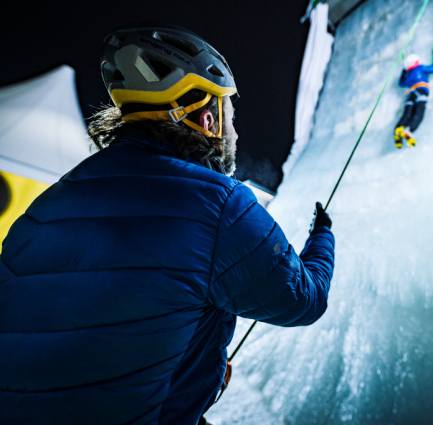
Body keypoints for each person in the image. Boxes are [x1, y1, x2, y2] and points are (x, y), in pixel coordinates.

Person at [0, 23, 335, 425]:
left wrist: (196, 370)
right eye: (230, 115)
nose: (236, 131)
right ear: (207, 120)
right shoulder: (219, 204)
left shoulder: (48, 203)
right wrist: (323, 236)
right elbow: (302, 299)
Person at [394, 52, 433, 148]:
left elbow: (401, 83)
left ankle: (398, 129)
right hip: (421, 91)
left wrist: (403, 73)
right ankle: (409, 130)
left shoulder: (408, 74)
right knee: (418, 113)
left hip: (410, 94)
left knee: (407, 113)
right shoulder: (420, 68)